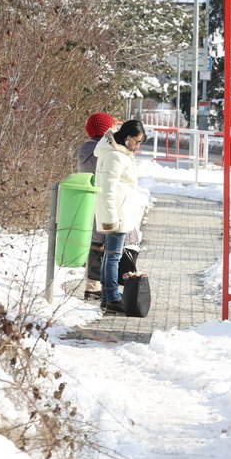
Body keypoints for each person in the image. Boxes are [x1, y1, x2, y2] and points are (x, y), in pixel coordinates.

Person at [94, 119, 146, 314]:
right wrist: (110, 218)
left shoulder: (120, 153)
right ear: (126, 137)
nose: (137, 146)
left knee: (111, 256)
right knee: (113, 256)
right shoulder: (115, 156)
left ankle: (109, 296)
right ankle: (112, 296)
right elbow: (107, 189)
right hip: (116, 212)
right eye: (136, 141)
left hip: (119, 211)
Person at [77, 112, 115, 300]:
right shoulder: (104, 151)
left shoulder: (85, 149)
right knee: (104, 244)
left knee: (95, 242)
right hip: (103, 200)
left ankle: (92, 286)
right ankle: (98, 287)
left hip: (88, 200)